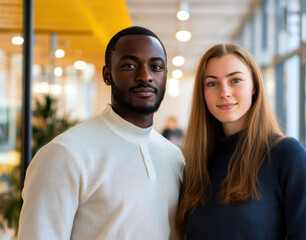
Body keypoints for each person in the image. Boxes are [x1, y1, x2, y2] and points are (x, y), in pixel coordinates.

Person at [18, 26, 184, 240]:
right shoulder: (64, 154)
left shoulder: (174, 157)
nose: (146, 76)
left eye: (156, 67)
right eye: (130, 65)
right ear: (107, 74)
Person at [175, 44, 306, 239]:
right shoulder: (197, 161)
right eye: (212, 83)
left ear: (254, 87)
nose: (224, 92)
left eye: (235, 80)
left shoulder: (286, 155)